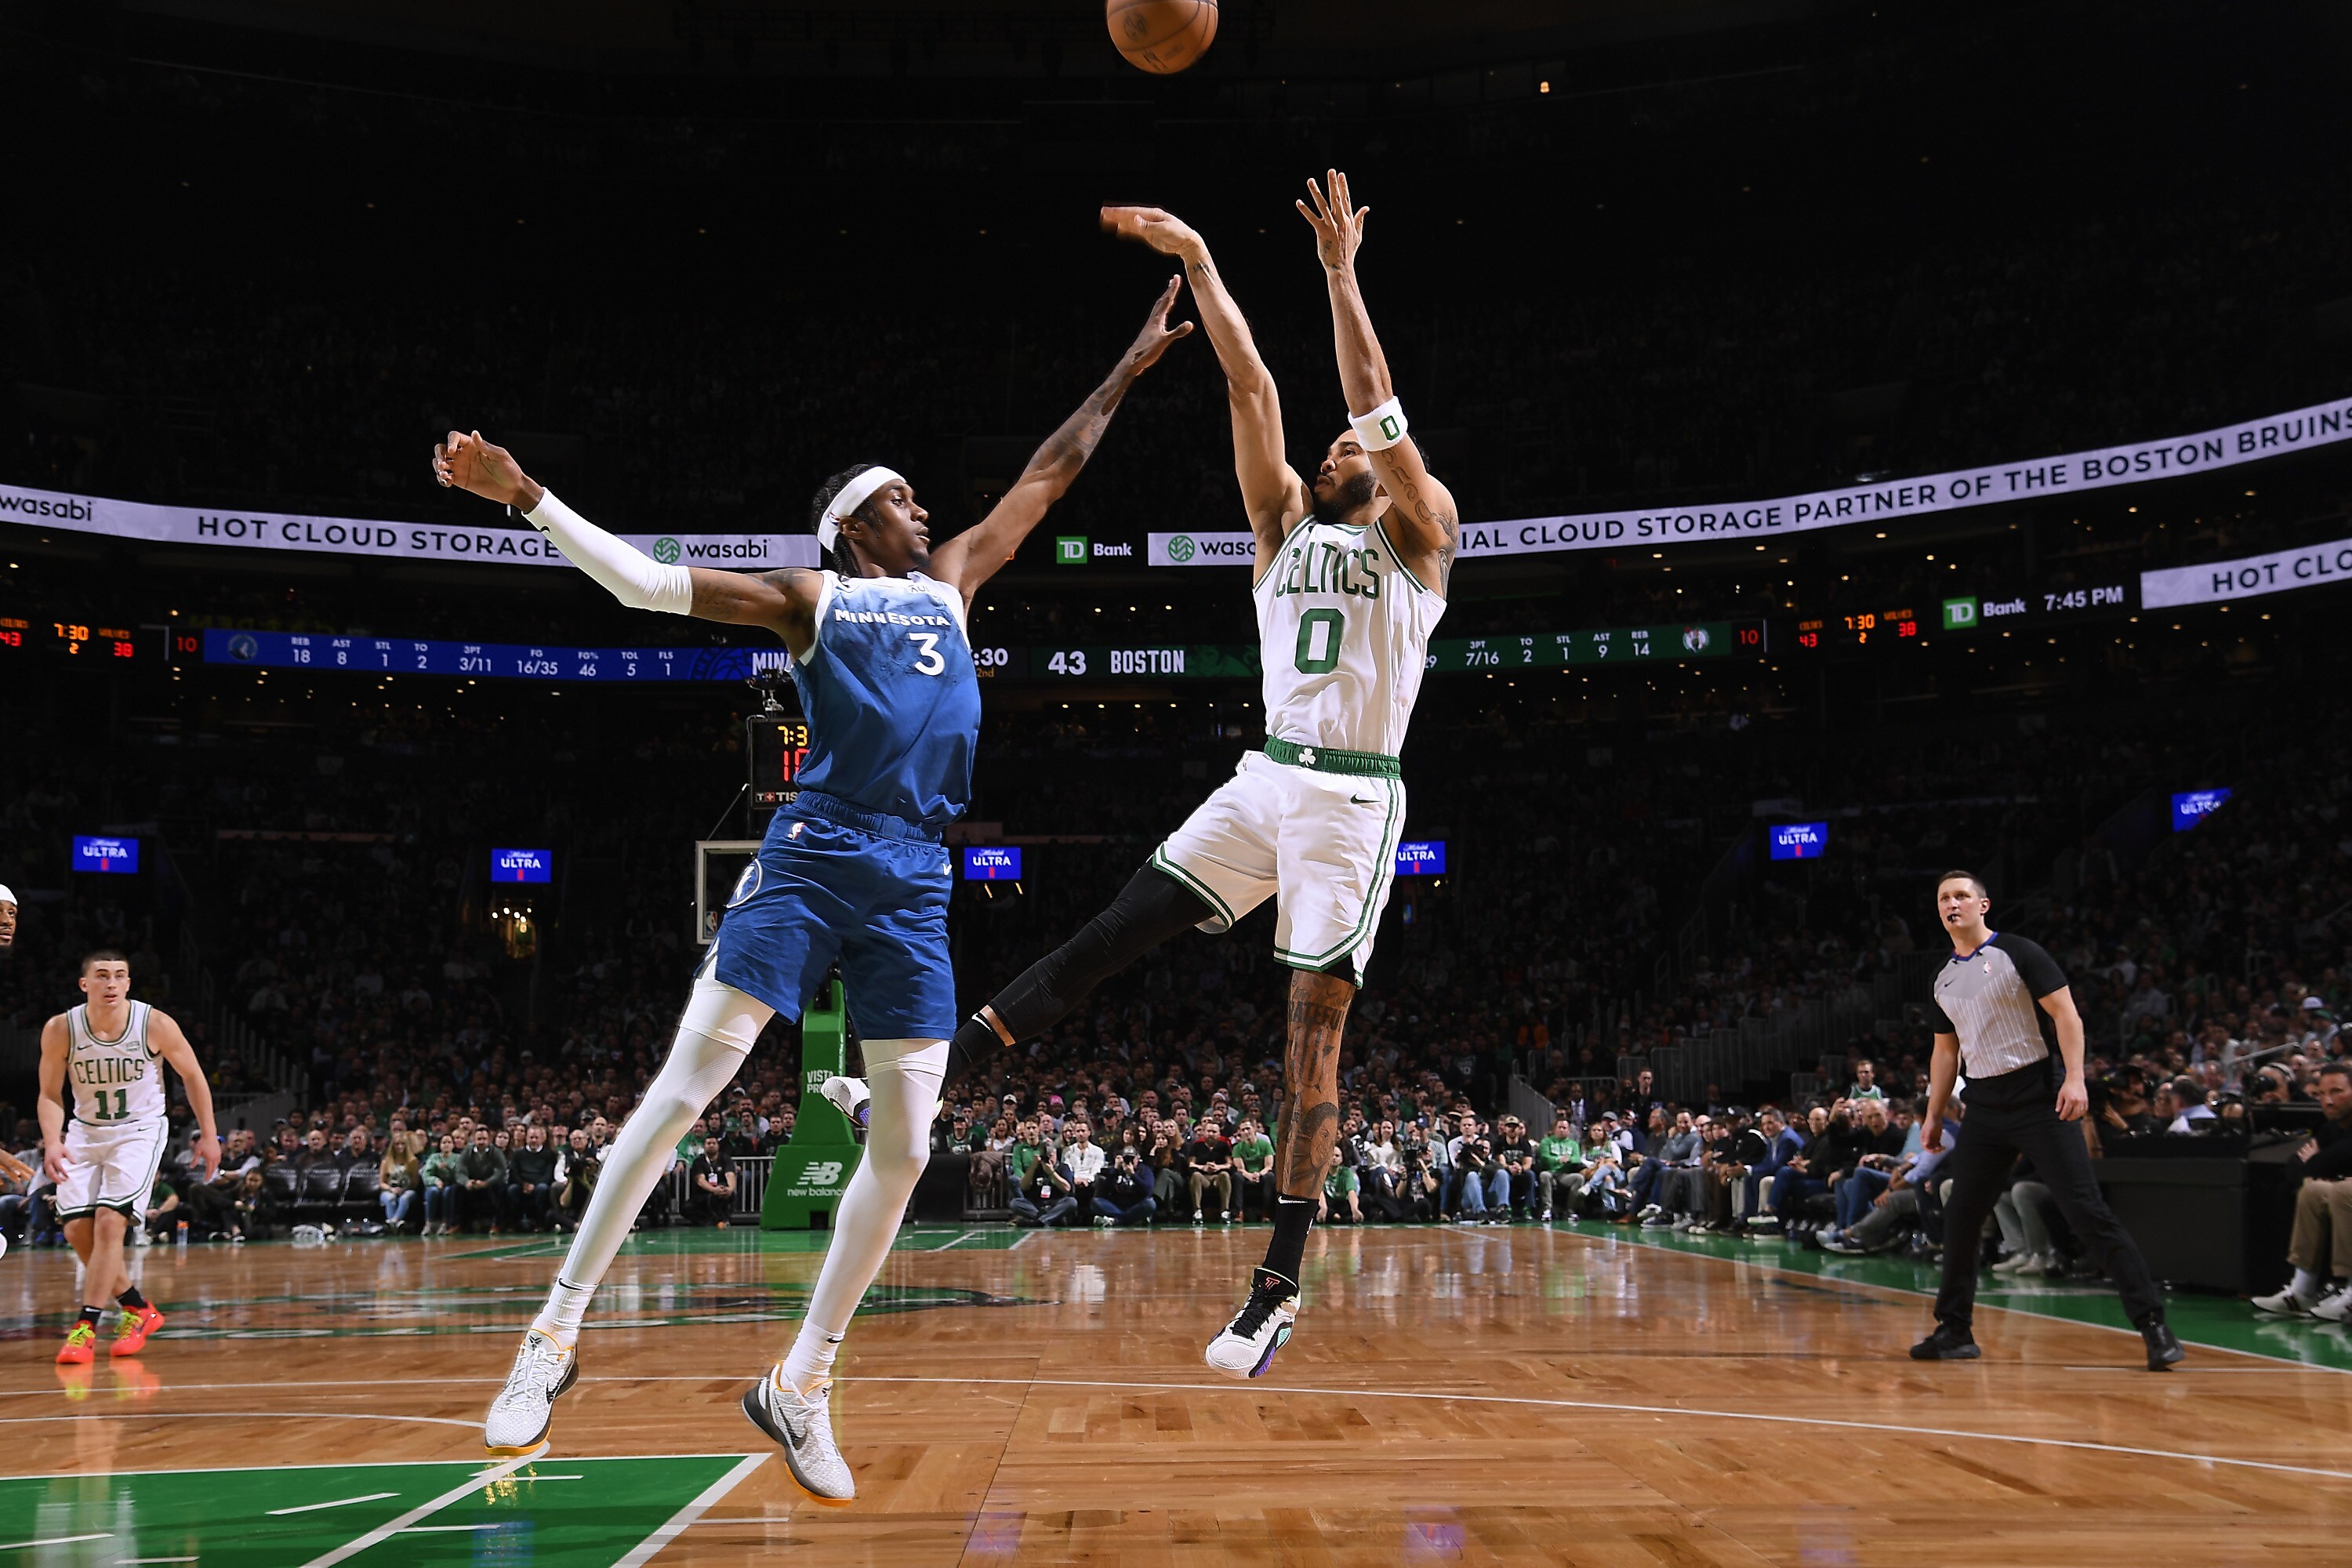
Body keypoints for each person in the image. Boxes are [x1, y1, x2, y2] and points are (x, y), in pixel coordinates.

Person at [437, 281, 1189, 1500]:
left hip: (915, 877)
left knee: (902, 1142)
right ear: (850, 526)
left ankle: (801, 1382)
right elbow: (641, 583)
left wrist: (1126, 370)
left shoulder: (951, 580)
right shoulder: (811, 600)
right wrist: (528, 497)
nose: (925, 506)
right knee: (687, 1089)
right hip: (816, 847)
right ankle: (553, 1336)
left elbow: (1048, 477)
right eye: (900, 496)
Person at [828, 172, 1457, 1380]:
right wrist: (1204, 256)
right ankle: (920, 1074)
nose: (1329, 448)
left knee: (1307, 1035)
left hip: (1355, 799)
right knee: (1122, 925)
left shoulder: (1425, 533)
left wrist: (1338, 273)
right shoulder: (1281, 529)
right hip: (1270, 776)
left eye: (1347, 448)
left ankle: (1277, 1287)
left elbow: (1370, 398)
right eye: (1323, 450)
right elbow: (1254, 384)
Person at [1911, 870, 2183, 1371]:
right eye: (1944, 898)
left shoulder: (2018, 952)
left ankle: (2153, 1325)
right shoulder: (1942, 978)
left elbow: (2067, 1015)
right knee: (1962, 1215)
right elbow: (1944, 1054)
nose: (1953, 903)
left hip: (2040, 1095)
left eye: (1962, 896)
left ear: (1983, 905)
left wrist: (2075, 1078)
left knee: (2086, 1211)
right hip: (1984, 1107)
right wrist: (1934, 1115)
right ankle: (1954, 1330)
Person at [38, 950, 221, 1363]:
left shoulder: (153, 1023)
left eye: (120, 976)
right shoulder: (61, 1029)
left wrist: (208, 1134)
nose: (111, 984)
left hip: (138, 1131)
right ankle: (138, 1308)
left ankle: (85, 1326)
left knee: (108, 1224)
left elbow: (192, 1075)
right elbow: (50, 1094)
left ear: (129, 983)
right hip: (84, 1132)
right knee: (75, 1232)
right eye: (101, 976)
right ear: (84, 984)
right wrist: (53, 1140)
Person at [2251, 1061, 2352, 1318]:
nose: (2328, 1101)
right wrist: (2318, 1168)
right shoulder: (2331, 1128)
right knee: (2312, 1190)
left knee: (2342, 1190)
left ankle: (2349, 1290)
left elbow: (2323, 1161)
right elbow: (2296, 1167)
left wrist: (2319, 1164)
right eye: (2322, 1094)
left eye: (2337, 1092)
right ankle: (2303, 1290)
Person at [1093, 1146, 1157, 1227]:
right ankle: (1131, 1220)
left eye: (1132, 1158)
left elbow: (1148, 1190)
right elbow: (1104, 1190)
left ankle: (1116, 1221)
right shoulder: (1116, 1169)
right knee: (1095, 1202)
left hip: (1136, 1206)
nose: (1129, 1162)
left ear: (1137, 1159)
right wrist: (1115, 1170)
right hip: (1116, 1206)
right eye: (1126, 1158)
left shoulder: (1144, 1170)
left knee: (1150, 1204)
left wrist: (1133, 1175)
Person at [379, 1135, 422, 1232]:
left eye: (402, 1144)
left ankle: (393, 1221)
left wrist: (404, 1189)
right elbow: (381, 1183)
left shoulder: (413, 1161)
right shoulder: (386, 1161)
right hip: (389, 1190)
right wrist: (392, 1189)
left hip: (407, 1190)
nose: (400, 1146)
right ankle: (396, 1225)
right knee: (390, 1198)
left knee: (404, 1198)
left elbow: (415, 1183)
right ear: (392, 1146)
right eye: (397, 1144)